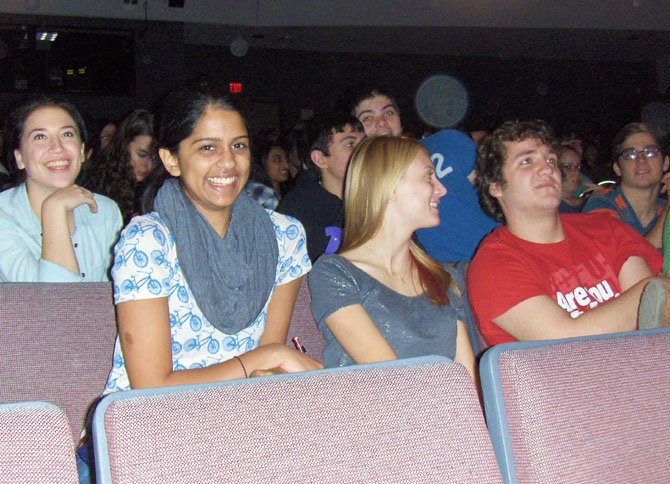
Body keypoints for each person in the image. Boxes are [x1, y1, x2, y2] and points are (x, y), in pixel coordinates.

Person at [104, 87, 322, 395]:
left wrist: (270, 359)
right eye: (208, 148)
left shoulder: (284, 236)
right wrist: (270, 356)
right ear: (171, 160)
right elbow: (150, 386)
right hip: (147, 417)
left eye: (239, 146)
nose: (229, 163)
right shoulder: (149, 242)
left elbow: (266, 368)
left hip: (239, 407)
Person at [468, 120, 664, 347]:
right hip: (571, 380)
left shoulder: (605, 228)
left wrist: (653, 293)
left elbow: (652, 321)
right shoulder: (493, 263)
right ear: (496, 186)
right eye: (527, 161)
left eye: (551, 160)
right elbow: (564, 342)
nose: (548, 168)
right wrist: (657, 288)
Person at [309, 136, 477, 380]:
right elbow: (393, 380)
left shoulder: (443, 278)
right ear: (389, 185)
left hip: (449, 413)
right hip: (380, 414)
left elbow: (468, 377)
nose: (442, 189)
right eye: (429, 176)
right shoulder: (335, 274)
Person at [0, 97, 122, 282]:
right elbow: (54, 305)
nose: (57, 147)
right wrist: (54, 209)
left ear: (82, 151)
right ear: (20, 158)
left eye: (67, 135)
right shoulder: (3, 216)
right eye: (40, 137)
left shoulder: (105, 210)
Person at [277, 112, 364, 261]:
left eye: (364, 143)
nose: (364, 151)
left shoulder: (374, 200)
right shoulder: (297, 211)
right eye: (350, 144)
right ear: (320, 159)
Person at [582, 123, 668, 248]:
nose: (641, 160)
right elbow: (625, 260)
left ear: (665, 163)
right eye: (630, 155)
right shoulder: (601, 203)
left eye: (650, 152)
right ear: (617, 168)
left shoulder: (664, 209)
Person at [88, 109, 155, 222]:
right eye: (142, 154)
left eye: (154, 158)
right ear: (124, 146)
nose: (148, 165)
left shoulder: (159, 188)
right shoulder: (97, 182)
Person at [245, 141, 290, 209]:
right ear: (263, 162)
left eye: (287, 160)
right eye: (277, 160)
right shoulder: (263, 194)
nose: (286, 165)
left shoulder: (287, 193)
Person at [557, 146, 585, 213]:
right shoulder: (548, 207)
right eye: (568, 167)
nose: (576, 172)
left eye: (578, 167)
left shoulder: (588, 204)